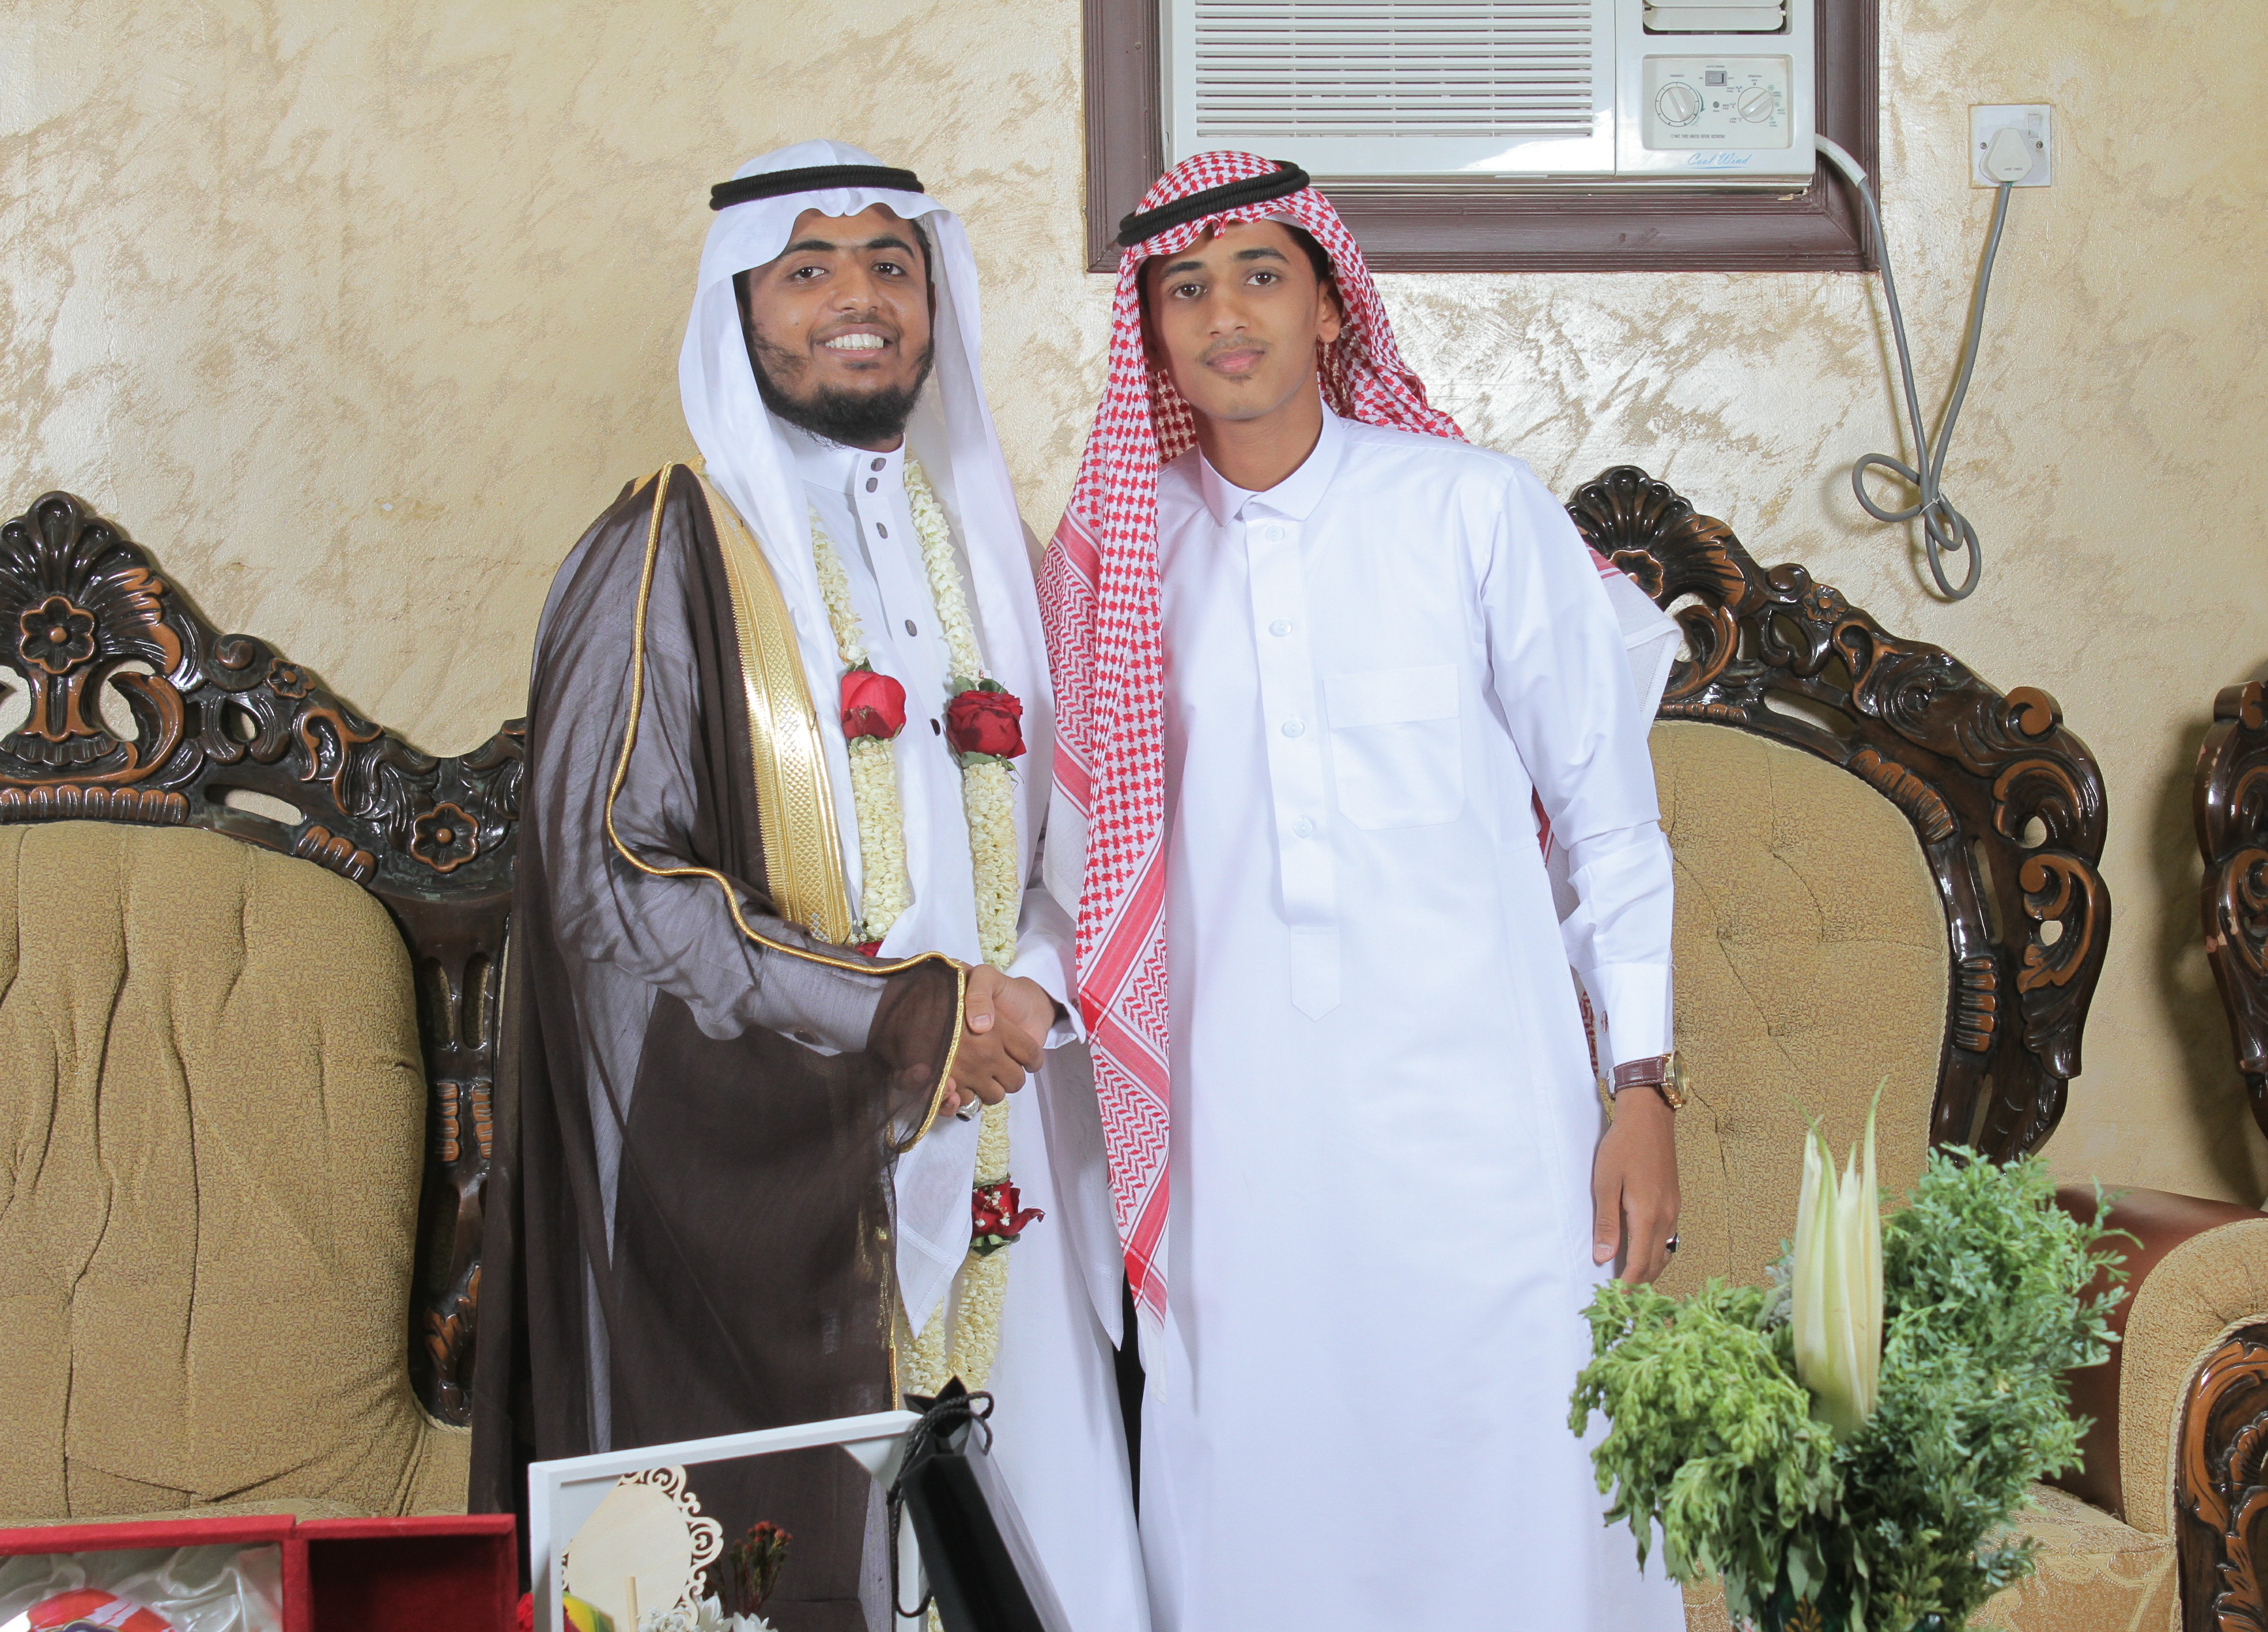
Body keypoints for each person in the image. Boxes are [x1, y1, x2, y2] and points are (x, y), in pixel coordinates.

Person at [472, 142, 1145, 1632]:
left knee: (1046, 1545)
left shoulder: (1002, 554)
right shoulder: (664, 551)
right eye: (809, 268)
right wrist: (901, 1018)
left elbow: (1090, 835)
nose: (859, 298)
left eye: (891, 265)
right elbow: (611, 877)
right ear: (742, 308)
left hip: (1013, 1151)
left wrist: (1028, 994)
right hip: (769, 1175)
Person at [1035, 151, 1687, 1629]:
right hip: (1240, 1142)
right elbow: (1074, 873)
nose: (1225, 316)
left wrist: (1642, 1085)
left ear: (1331, 307)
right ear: (1152, 332)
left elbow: (1610, 821)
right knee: (1266, 1499)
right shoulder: (1119, 563)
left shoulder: (1470, 509)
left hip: (1493, 1129)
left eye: (1261, 276)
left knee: (1530, 1473)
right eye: (1185, 289)